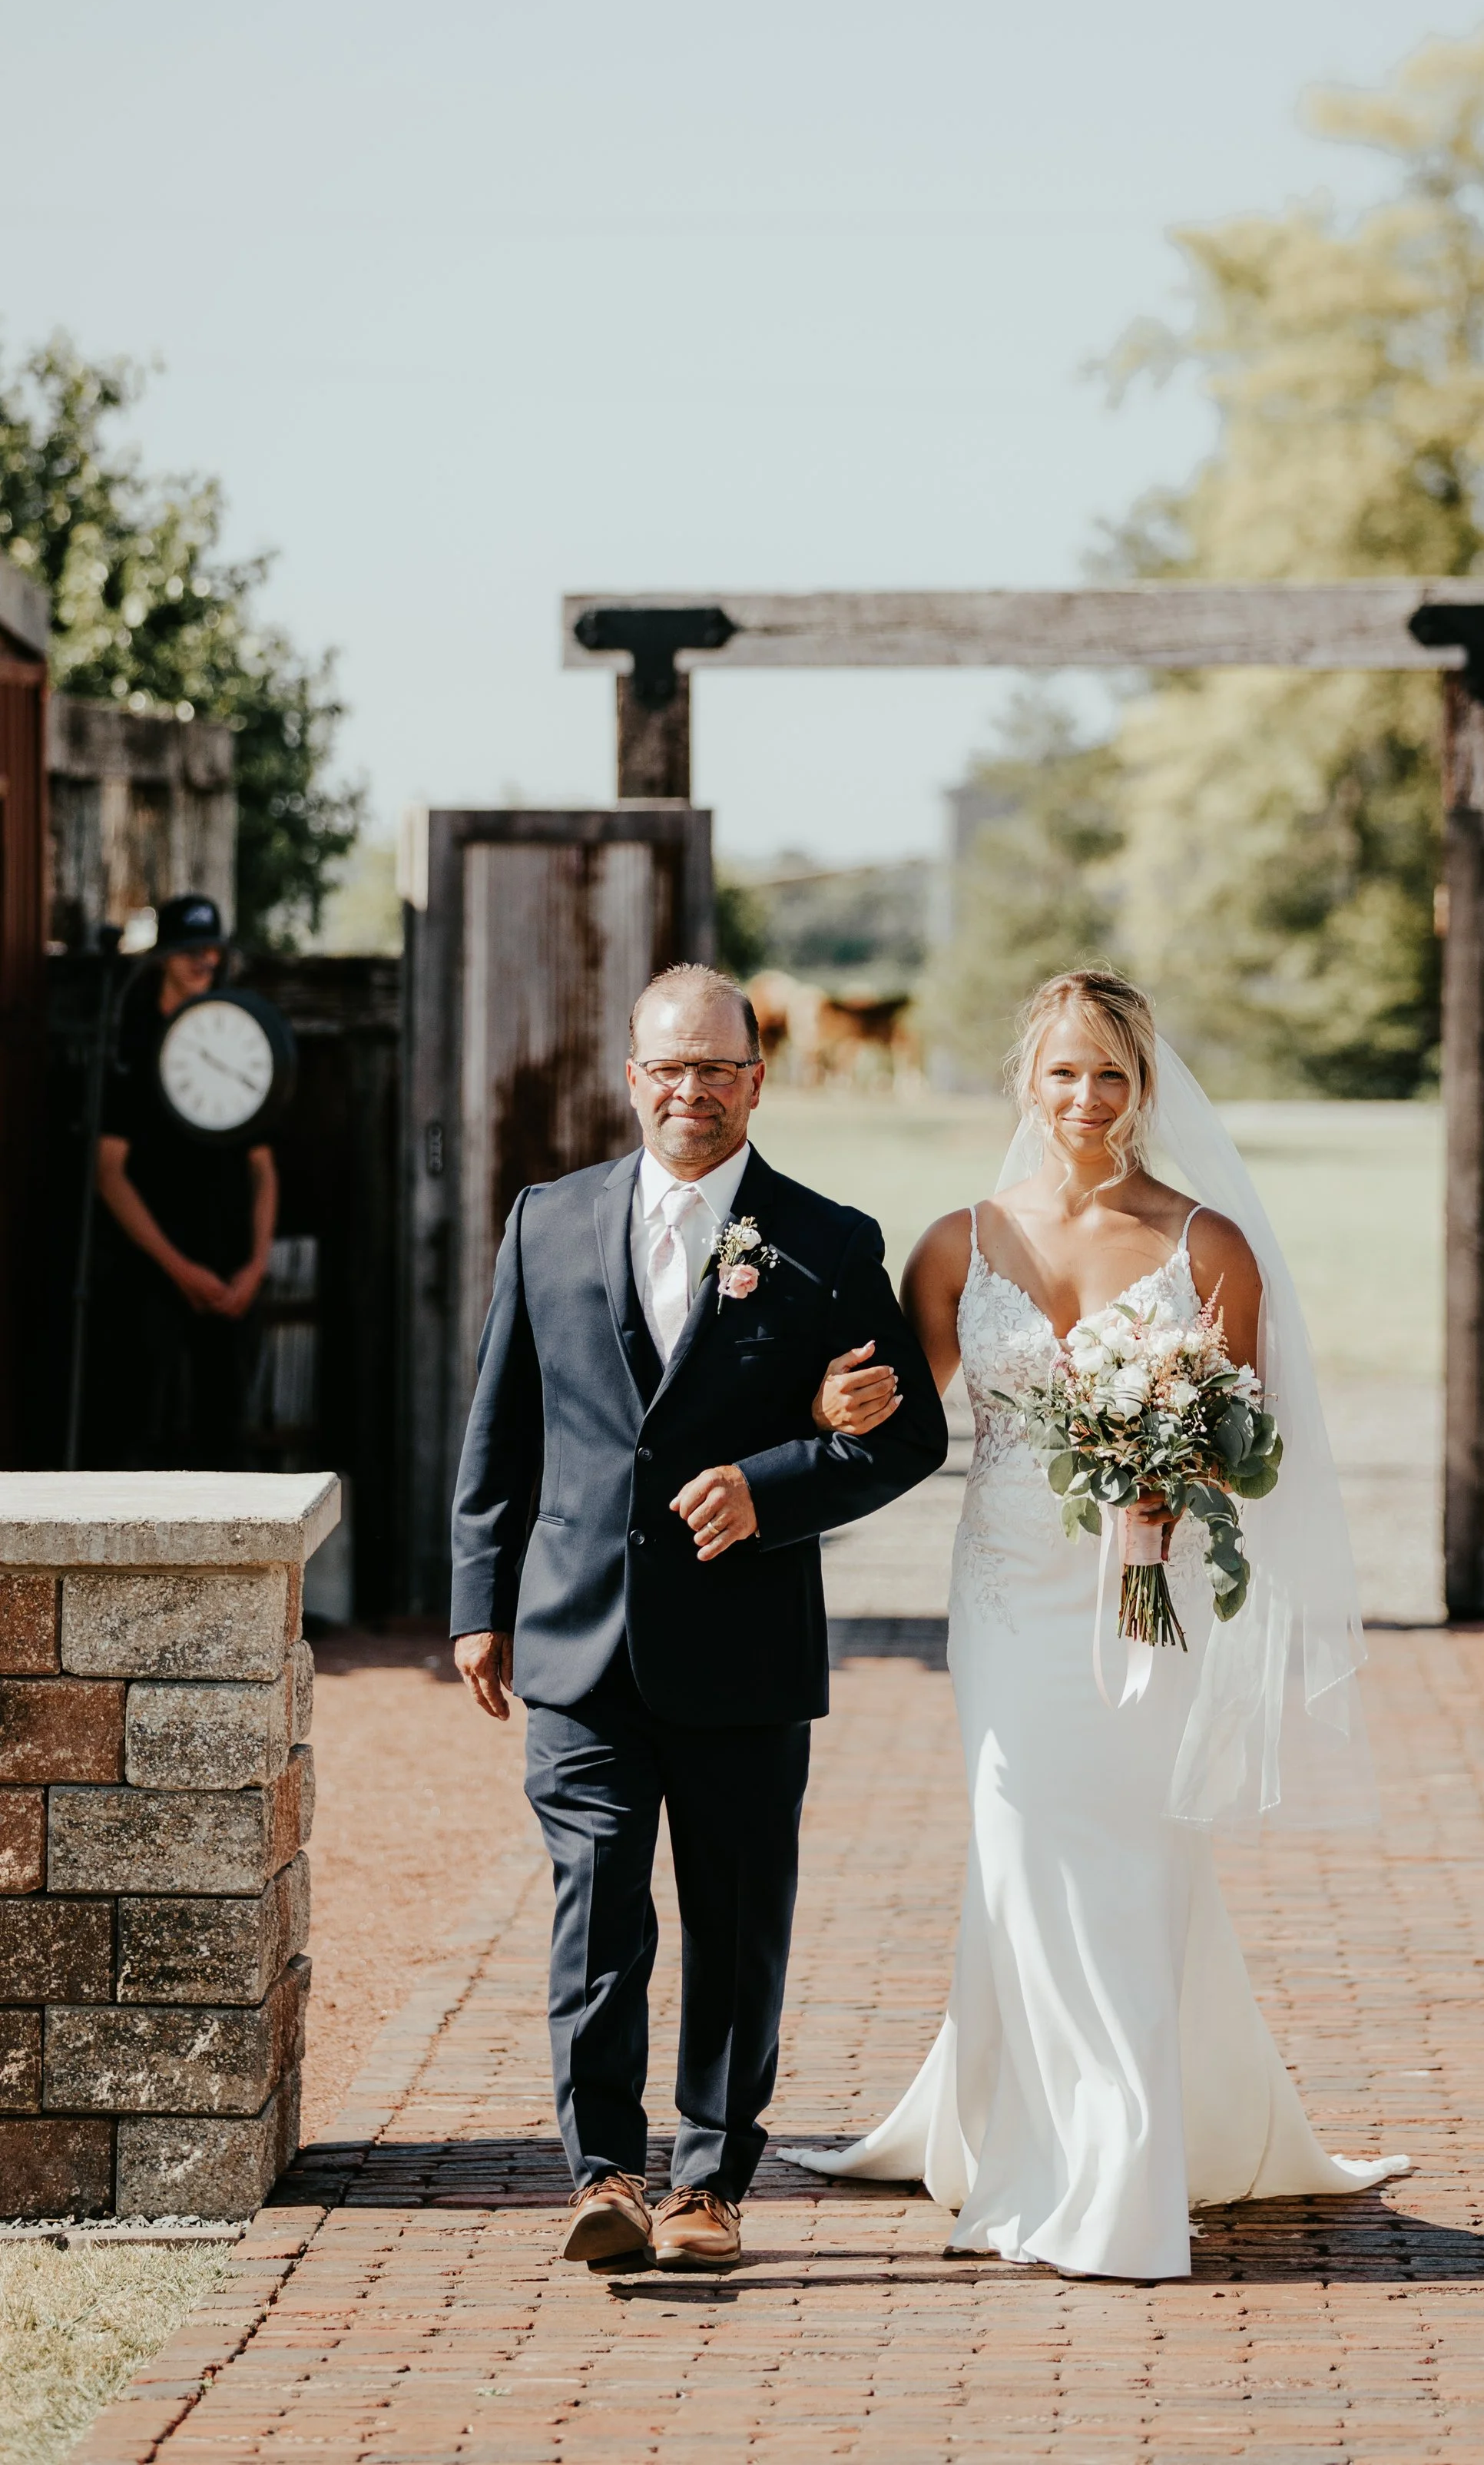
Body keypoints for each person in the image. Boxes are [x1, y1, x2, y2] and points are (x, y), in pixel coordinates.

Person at [790, 968, 1408, 2281]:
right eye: (1065, 1071)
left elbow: (1252, 1449)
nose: (1088, 1097)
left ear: (1146, 1087)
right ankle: (1061, 2153)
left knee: (1137, 1863)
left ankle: (1129, 2154)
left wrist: (1169, 1474)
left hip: (1151, 1597)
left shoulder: (1207, 1247)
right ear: (1028, 1078)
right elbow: (903, 1422)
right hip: (1009, 1598)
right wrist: (834, 1415)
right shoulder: (959, 1244)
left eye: (1113, 1074)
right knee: (1020, 1852)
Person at [449, 962, 947, 2276]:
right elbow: (501, 1432)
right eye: (668, 1066)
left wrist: (774, 1486)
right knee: (596, 1908)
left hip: (742, 1651)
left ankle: (712, 2183)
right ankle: (605, 2173)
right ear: (632, 1077)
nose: (691, 1091)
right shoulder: (545, 1223)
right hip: (575, 1636)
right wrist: (475, 1603)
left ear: (757, 1081)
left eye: (717, 1069)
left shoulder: (827, 1244)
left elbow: (907, 1442)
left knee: (734, 1927)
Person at [95, 893, 277, 1469]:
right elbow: (108, 1173)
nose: (205, 961)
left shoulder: (236, 1034)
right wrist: (178, 1269)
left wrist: (255, 1266)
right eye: (191, 950)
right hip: (152, 1269)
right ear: (164, 958)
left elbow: (264, 1169)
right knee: (142, 1424)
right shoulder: (132, 1044)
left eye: (213, 951)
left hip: (229, 1268)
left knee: (226, 1429)